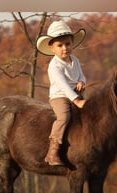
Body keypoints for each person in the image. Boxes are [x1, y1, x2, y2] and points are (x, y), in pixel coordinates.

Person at [36, 20, 87, 166]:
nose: (65, 48)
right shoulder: (54, 66)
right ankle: (53, 152)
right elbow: (63, 85)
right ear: (52, 48)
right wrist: (77, 100)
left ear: (72, 43)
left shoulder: (75, 60)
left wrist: (82, 82)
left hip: (76, 93)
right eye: (60, 45)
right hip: (60, 97)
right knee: (64, 116)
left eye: (68, 44)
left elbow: (82, 75)